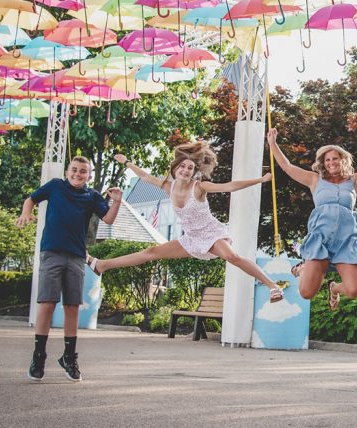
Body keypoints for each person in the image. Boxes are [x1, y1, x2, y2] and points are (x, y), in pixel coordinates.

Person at [88, 142, 284, 306]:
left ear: (193, 172)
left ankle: (273, 286)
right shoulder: (168, 186)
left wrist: (260, 179)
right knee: (151, 252)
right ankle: (102, 265)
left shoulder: (199, 187)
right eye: (182, 166)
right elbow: (145, 177)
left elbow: (230, 186)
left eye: (190, 168)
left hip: (210, 233)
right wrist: (127, 162)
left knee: (232, 256)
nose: (186, 170)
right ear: (175, 169)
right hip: (191, 238)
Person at [16, 155, 122, 383]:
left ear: (89, 176)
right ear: (67, 171)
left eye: (83, 171)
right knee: (47, 303)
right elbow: (31, 199)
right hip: (52, 252)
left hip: (76, 256)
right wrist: (26, 212)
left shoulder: (91, 196)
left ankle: (69, 357)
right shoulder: (55, 187)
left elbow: (109, 219)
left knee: (72, 306)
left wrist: (117, 202)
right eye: (74, 169)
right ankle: (38, 356)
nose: (78, 174)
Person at [266, 127, 357, 310]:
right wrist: (273, 144)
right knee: (306, 293)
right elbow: (287, 167)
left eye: (335, 158)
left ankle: (334, 287)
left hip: (346, 241)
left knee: (353, 291)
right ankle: (303, 268)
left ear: (342, 160)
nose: (331, 162)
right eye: (327, 160)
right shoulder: (314, 180)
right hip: (321, 239)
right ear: (323, 163)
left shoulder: (354, 181)